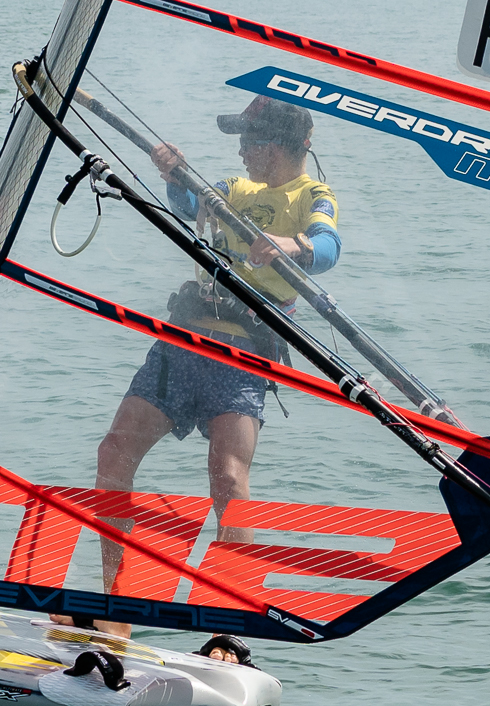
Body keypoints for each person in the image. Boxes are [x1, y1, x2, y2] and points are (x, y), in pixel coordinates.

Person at [66, 97, 340, 639]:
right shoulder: (233, 189)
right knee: (113, 453)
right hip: (181, 345)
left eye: (250, 141)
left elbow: (328, 245)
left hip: (241, 359)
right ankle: (116, 612)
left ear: (284, 145)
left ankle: (230, 629)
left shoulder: (313, 195)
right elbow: (189, 199)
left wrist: (293, 245)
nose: (241, 151)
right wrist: (173, 170)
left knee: (228, 478)